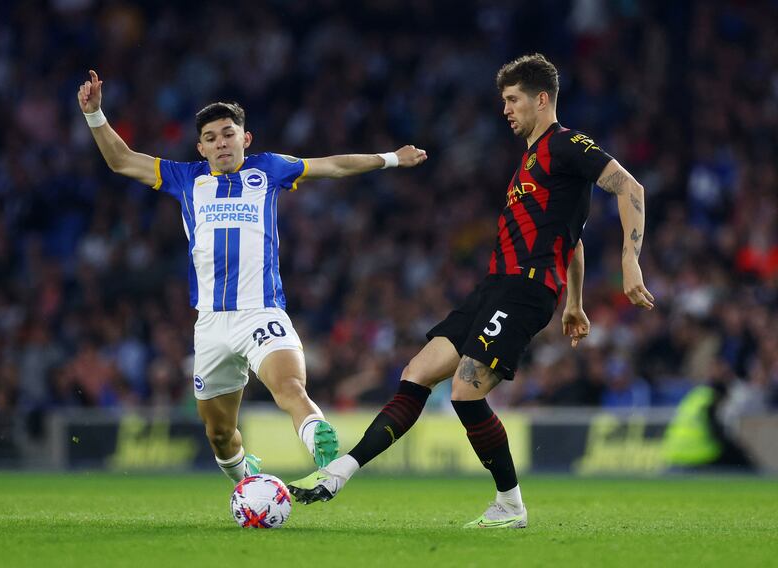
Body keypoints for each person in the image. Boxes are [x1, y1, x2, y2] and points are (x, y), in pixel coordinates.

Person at [289, 53, 655, 528]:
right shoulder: (530, 158)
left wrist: (630, 259)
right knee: (417, 371)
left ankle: (510, 505)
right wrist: (576, 302)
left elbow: (631, 188)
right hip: (495, 287)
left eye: (513, 99)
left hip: (524, 288)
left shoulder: (565, 145)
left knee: (464, 391)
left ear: (542, 100)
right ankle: (340, 472)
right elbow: (573, 237)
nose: (505, 109)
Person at [76, 70, 427, 484]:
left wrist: (391, 158)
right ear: (200, 147)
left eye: (228, 133)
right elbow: (121, 160)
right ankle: (245, 476)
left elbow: (331, 165)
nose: (221, 142)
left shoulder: (269, 170)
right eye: (211, 137)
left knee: (291, 387)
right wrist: (96, 114)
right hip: (210, 323)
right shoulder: (185, 178)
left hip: (260, 312)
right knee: (220, 434)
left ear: (246, 138)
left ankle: (319, 443)